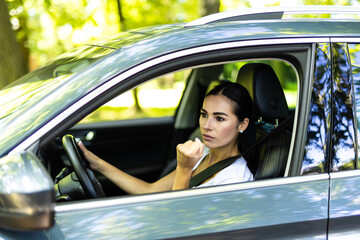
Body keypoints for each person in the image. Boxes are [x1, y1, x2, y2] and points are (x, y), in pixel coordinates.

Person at [78, 81, 254, 194]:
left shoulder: (235, 181)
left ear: (242, 124)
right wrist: (97, 164)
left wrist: (184, 169)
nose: (207, 125)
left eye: (220, 118)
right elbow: (150, 190)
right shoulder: (204, 152)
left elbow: (179, 226)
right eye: (204, 114)